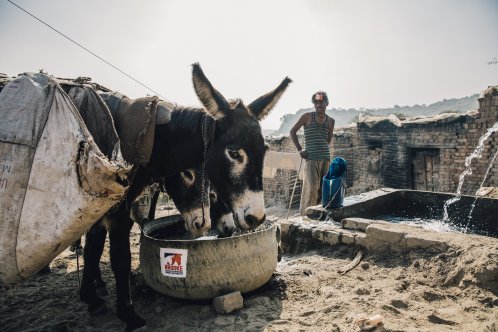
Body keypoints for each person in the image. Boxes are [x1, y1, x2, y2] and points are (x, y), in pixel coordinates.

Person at [290, 91, 335, 215]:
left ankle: (319, 215)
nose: (319, 105)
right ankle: (306, 216)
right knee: (311, 189)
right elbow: (292, 131)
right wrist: (300, 150)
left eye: (321, 102)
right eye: (316, 102)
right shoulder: (307, 117)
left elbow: (328, 140)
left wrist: (320, 145)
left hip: (325, 158)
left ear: (327, 103)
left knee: (324, 188)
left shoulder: (331, 121)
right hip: (311, 158)